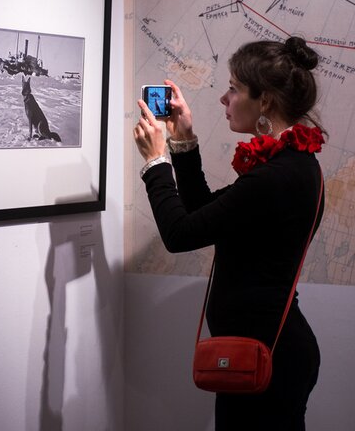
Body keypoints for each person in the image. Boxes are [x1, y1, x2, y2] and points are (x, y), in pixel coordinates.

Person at [132, 36, 326, 430]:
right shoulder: (291, 166)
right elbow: (203, 211)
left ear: (265, 101)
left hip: (264, 357)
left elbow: (180, 233)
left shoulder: (277, 178)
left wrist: (156, 162)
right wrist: (183, 139)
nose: (224, 98)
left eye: (234, 88)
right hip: (262, 352)